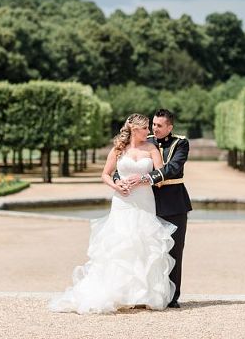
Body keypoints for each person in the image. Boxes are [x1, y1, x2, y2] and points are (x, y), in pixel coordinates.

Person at [49, 113, 177, 314]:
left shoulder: (152, 149)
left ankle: (143, 295)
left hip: (144, 200)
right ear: (135, 129)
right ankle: (121, 293)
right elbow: (105, 175)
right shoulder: (118, 149)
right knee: (121, 243)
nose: (150, 131)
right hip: (122, 202)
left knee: (144, 244)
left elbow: (159, 178)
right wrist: (117, 187)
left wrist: (142, 179)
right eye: (145, 128)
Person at [115, 108, 191, 308]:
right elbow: (120, 165)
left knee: (173, 250)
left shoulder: (180, 143)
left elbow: (173, 168)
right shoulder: (143, 140)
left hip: (173, 203)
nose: (154, 129)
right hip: (146, 203)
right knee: (145, 250)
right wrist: (119, 181)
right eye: (153, 125)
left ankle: (171, 297)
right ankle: (145, 294)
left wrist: (143, 178)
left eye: (159, 126)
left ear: (170, 127)